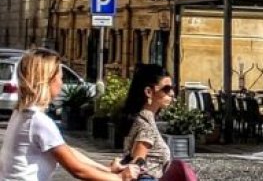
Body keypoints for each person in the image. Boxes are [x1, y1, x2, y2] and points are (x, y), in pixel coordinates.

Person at [0, 48, 125, 181]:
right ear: (47, 80)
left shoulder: (21, 113)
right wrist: (120, 178)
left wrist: (107, 170)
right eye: (60, 78)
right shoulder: (38, 121)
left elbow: (65, 150)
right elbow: (78, 170)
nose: (61, 83)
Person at [113, 65, 171, 181]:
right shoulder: (146, 126)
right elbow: (136, 166)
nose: (172, 93)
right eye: (166, 89)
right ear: (149, 92)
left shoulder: (140, 118)